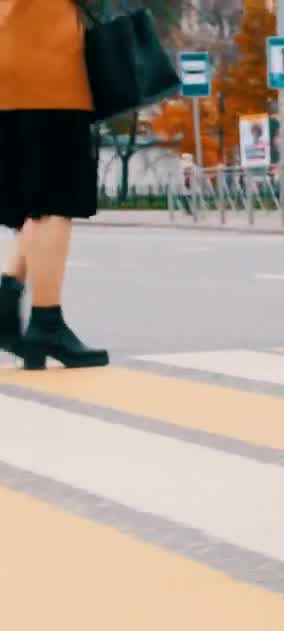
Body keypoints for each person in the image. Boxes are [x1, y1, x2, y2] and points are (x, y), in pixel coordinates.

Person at [0, 0, 109, 369]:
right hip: (51, 70)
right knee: (54, 201)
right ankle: (47, 323)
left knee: (35, 204)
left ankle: (6, 304)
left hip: (9, 66)